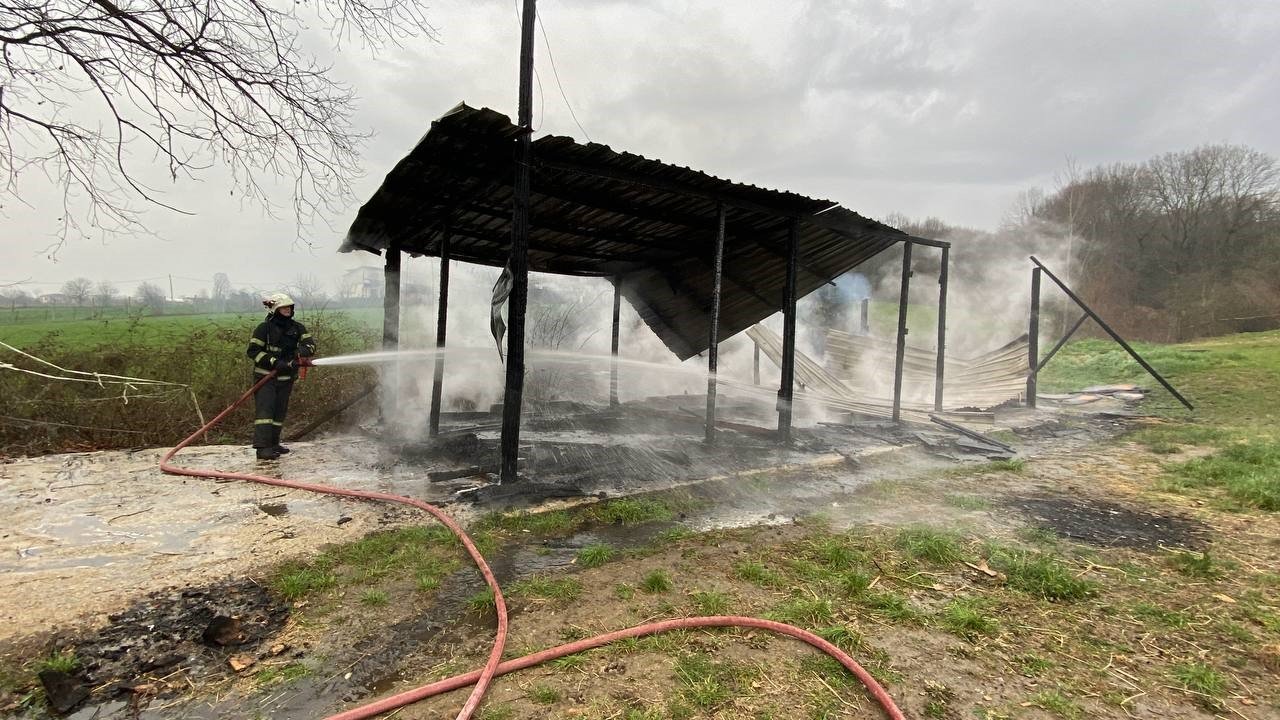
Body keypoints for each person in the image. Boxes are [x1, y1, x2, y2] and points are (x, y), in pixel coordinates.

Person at [246, 292, 316, 460]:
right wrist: (274, 362)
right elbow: (253, 351)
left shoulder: (297, 328)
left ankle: (274, 443)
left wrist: (299, 353)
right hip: (266, 378)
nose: (287, 310)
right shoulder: (264, 329)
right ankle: (262, 448)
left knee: (279, 413)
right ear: (275, 309)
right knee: (265, 413)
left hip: (286, 379)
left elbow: (310, 346)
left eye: (289, 307)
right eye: (283, 307)